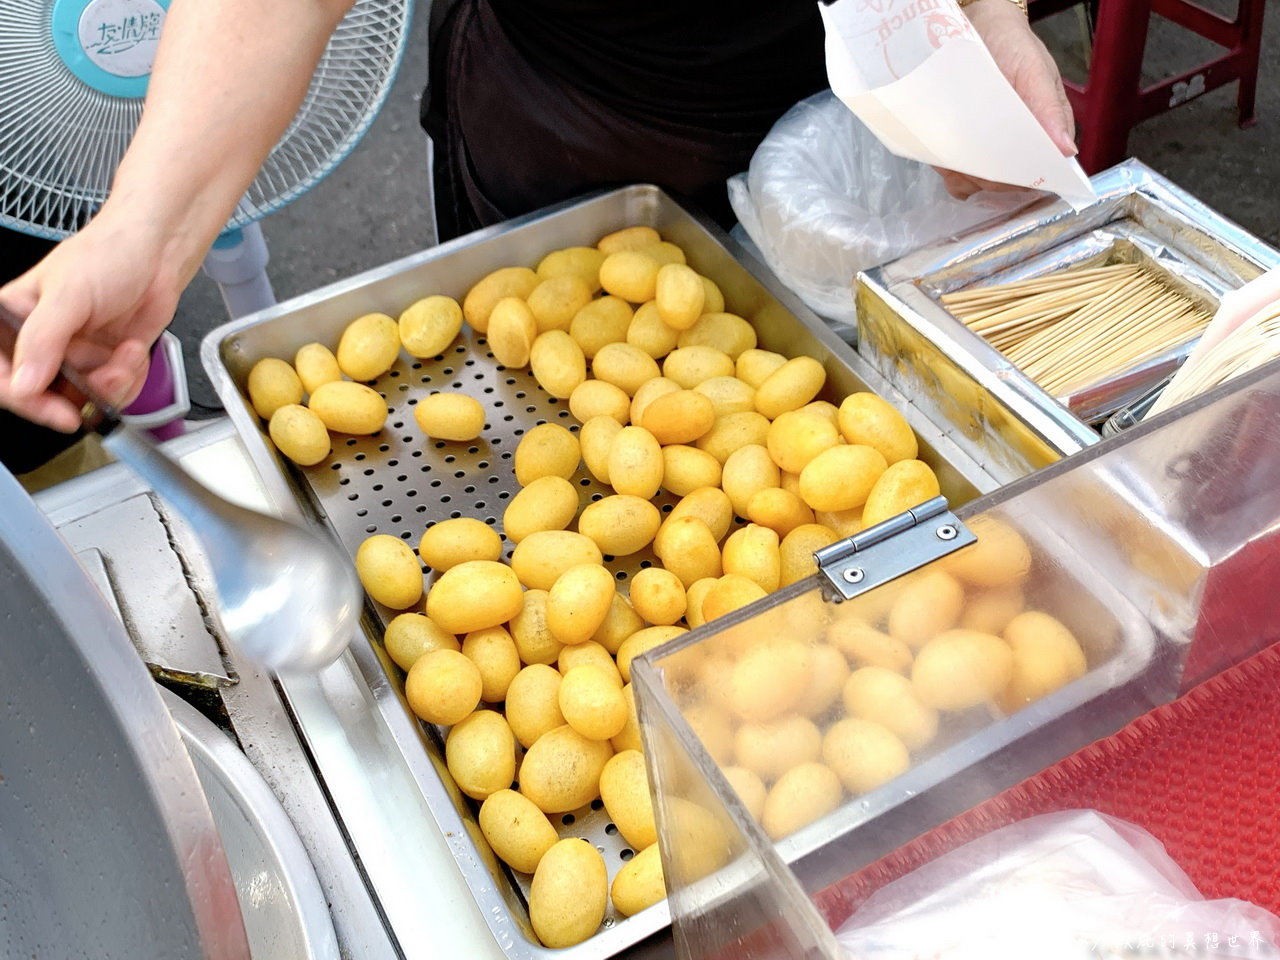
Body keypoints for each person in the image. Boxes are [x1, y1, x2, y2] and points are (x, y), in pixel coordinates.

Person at [0, 0, 1075, 436]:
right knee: (551, 411)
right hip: (588, 125)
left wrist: (979, 21)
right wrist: (147, 224)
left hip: (876, 124)